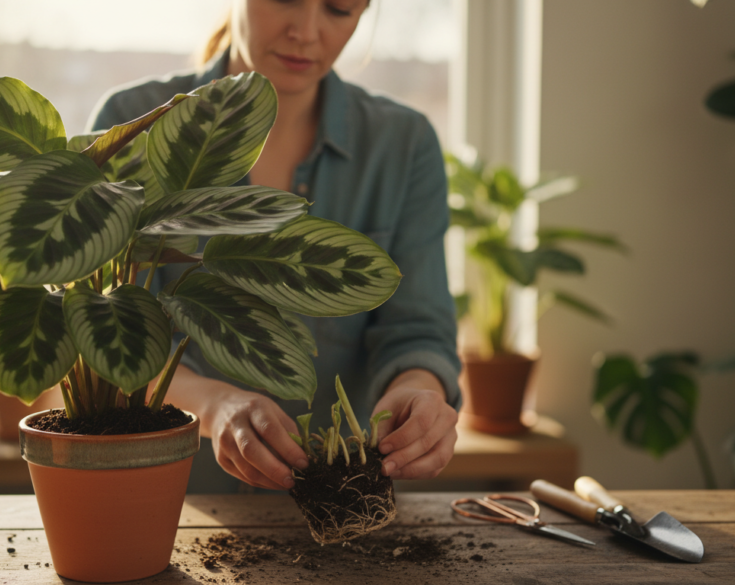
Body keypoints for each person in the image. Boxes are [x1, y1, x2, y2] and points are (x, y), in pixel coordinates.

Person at [87, 0, 460, 493]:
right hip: (169, 507)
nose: (306, 32)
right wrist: (214, 404)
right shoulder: (132, 123)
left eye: (339, 9)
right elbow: (111, 348)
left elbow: (418, 332)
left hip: (350, 511)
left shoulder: (403, 144)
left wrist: (420, 393)